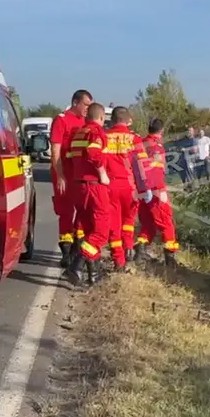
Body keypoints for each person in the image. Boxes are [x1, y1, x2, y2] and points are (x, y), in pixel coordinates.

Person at [66, 102, 111, 287]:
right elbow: (93, 153)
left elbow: (70, 158)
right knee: (101, 232)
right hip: (94, 185)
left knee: (89, 230)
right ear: (101, 118)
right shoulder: (96, 132)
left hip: (79, 187)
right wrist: (103, 174)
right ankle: (76, 265)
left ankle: (94, 274)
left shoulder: (78, 133)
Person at [104, 106, 150, 272]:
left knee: (113, 224)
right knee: (129, 221)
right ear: (126, 120)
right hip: (130, 187)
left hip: (109, 186)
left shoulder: (104, 137)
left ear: (113, 119)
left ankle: (118, 260)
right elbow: (141, 166)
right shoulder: (135, 138)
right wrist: (145, 188)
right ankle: (129, 247)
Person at [50, 89, 92, 266]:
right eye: (85, 105)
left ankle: (77, 246)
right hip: (65, 174)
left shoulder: (85, 122)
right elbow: (55, 151)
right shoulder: (61, 120)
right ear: (75, 102)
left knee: (83, 210)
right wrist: (60, 176)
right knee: (66, 212)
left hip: (79, 175)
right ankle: (66, 252)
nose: (87, 109)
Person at [135, 118, 179, 267]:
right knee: (167, 222)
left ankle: (140, 251)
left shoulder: (140, 143)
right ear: (162, 131)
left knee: (148, 224)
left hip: (141, 191)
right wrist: (160, 191)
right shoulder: (156, 147)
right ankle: (170, 258)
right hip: (155, 190)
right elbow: (155, 170)